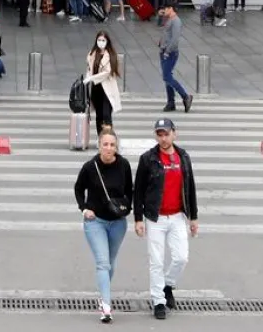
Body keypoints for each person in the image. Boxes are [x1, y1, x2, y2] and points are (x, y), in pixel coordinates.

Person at [133, 117, 198, 321]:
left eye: (166, 134)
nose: (163, 138)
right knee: (156, 261)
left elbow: (190, 187)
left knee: (181, 257)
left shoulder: (183, 157)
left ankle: (167, 284)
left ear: (174, 133)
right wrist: (138, 219)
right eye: (159, 134)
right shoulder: (148, 159)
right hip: (155, 217)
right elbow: (138, 191)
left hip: (178, 215)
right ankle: (158, 301)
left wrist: (193, 217)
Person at [75, 129, 134, 324]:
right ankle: (106, 305)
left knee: (111, 261)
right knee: (103, 263)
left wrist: (126, 209)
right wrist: (84, 209)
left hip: (118, 223)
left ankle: (103, 293)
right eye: (105, 144)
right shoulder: (90, 167)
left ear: (116, 147)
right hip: (96, 222)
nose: (109, 148)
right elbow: (78, 188)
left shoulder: (124, 165)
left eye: (112, 145)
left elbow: (129, 191)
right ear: (99, 145)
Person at [85, 31, 122, 135]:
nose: (101, 42)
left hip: (107, 89)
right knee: (99, 115)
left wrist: (92, 78)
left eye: (103, 40)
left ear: (107, 41)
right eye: (99, 40)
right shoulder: (92, 54)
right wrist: (88, 76)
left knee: (106, 115)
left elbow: (107, 73)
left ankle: (109, 138)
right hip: (96, 89)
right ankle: (100, 138)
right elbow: (89, 68)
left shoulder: (110, 55)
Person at [158, 5, 192, 113]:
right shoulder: (168, 19)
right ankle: (171, 102)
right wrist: (161, 16)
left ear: (171, 8)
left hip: (170, 52)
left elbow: (175, 39)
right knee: (167, 77)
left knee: (167, 76)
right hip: (163, 50)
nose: (164, 11)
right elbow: (160, 27)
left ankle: (185, 96)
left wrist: (167, 51)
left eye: (165, 9)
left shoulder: (176, 21)